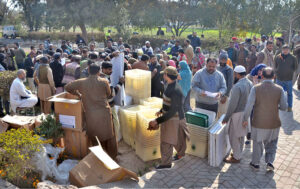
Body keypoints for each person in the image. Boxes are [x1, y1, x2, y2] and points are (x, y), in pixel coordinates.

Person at [65, 63, 117, 160]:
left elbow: (68, 87)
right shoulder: (104, 81)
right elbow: (108, 94)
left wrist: (79, 95)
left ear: (88, 71)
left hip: (91, 113)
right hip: (104, 112)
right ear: (99, 71)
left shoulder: (82, 82)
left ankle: (98, 157)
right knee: (109, 135)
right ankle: (112, 157)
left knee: (95, 136)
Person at [243, 67, 287, 172]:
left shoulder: (256, 88)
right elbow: (284, 107)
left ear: (262, 76)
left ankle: (256, 164)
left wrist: (245, 118)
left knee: (257, 143)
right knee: (272, 143)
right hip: (273, 122)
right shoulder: (279, 89)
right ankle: (270, 162)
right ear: (274, 76)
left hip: (258, 122)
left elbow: (249, 106)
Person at [148, 66, 189, 170]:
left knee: (166, 141)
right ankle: (180, 154)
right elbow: (170, 104)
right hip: (176, 117)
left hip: (174, 118)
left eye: (164, 74)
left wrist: (157, 121)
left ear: (167, 75)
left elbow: (172, 111)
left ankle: (166, 164)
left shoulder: (175, 89)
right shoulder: (171, 85)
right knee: (179, 139)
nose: (163, 75)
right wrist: (161, 110)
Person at [222, 65, 253, 163]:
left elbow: (232, 105)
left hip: (237, 114)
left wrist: (226, 117)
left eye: (235, 74)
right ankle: (238, 153)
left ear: (237, 74)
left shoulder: (237, 86)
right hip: (246, 113)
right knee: (241, 135)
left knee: (233, 136)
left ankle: (236, 157)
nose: (234, 75)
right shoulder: (250, 83)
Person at [274, 45, 298, 112]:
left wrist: (289, 71)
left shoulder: (293, 58)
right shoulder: (278, 57)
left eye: (287, 49)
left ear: (289, 50)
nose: (285, 51)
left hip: (288, 79)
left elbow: (295, 67)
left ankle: (289, 107)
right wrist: (277, 72)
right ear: (282, 49)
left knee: (289, 94)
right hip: (279, 79)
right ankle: (279, 105)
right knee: (278, 93)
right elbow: (275, 66)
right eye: (284, 49)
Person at [217, 52, 234, 117]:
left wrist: (226, 96)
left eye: (225, 59)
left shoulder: (229, 69)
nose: (223, 60)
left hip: (224, 94)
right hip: (216, 93)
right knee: (217, 112)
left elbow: (230, 84)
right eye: (222, 58)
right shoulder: (217, 68)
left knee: (223, 113)